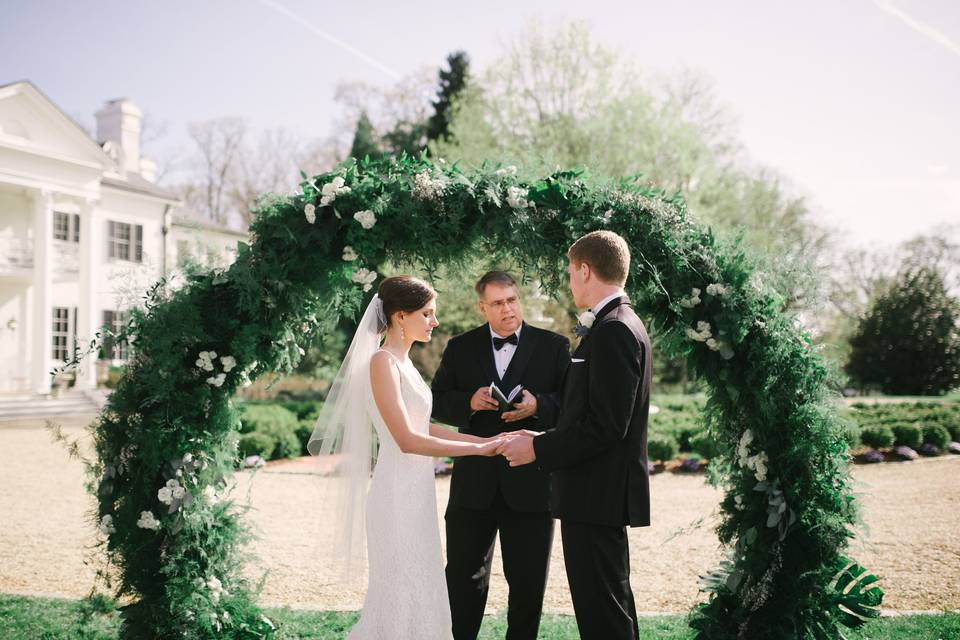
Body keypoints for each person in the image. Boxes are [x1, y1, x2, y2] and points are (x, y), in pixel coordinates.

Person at [308, 275, 503, 640]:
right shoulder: (382, 363)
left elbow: (424, 426)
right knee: (398, 591)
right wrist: (477, 449)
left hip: (416, 494)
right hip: (395, 495)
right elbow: (407, 439)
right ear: (400, 316)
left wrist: (485, 439)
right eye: (427, 314)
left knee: (422, 585)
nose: (435, 322)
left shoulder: (405, 363)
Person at [498, 231, 652, 640]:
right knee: (609, 606)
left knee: (602, 613)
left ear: (586, 270)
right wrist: (545, 432)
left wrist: (537, 447)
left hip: (595, 495)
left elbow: (606, 426)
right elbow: (592, 415)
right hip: (594, 494)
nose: (569, 281)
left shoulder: (614, 330)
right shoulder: (615, 324)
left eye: (570, 272)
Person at [431, 270, 569, 640]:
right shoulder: (460, 347)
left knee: (527, 587)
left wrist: (539, 405)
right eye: (497, 303)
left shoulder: (554, 346)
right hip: (473, 484)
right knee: (462, 581)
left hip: (532, 484)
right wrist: (468, 403)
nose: (507, 309)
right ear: (482, 307)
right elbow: (436, 401)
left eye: (512, 300)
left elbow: (572, 405)